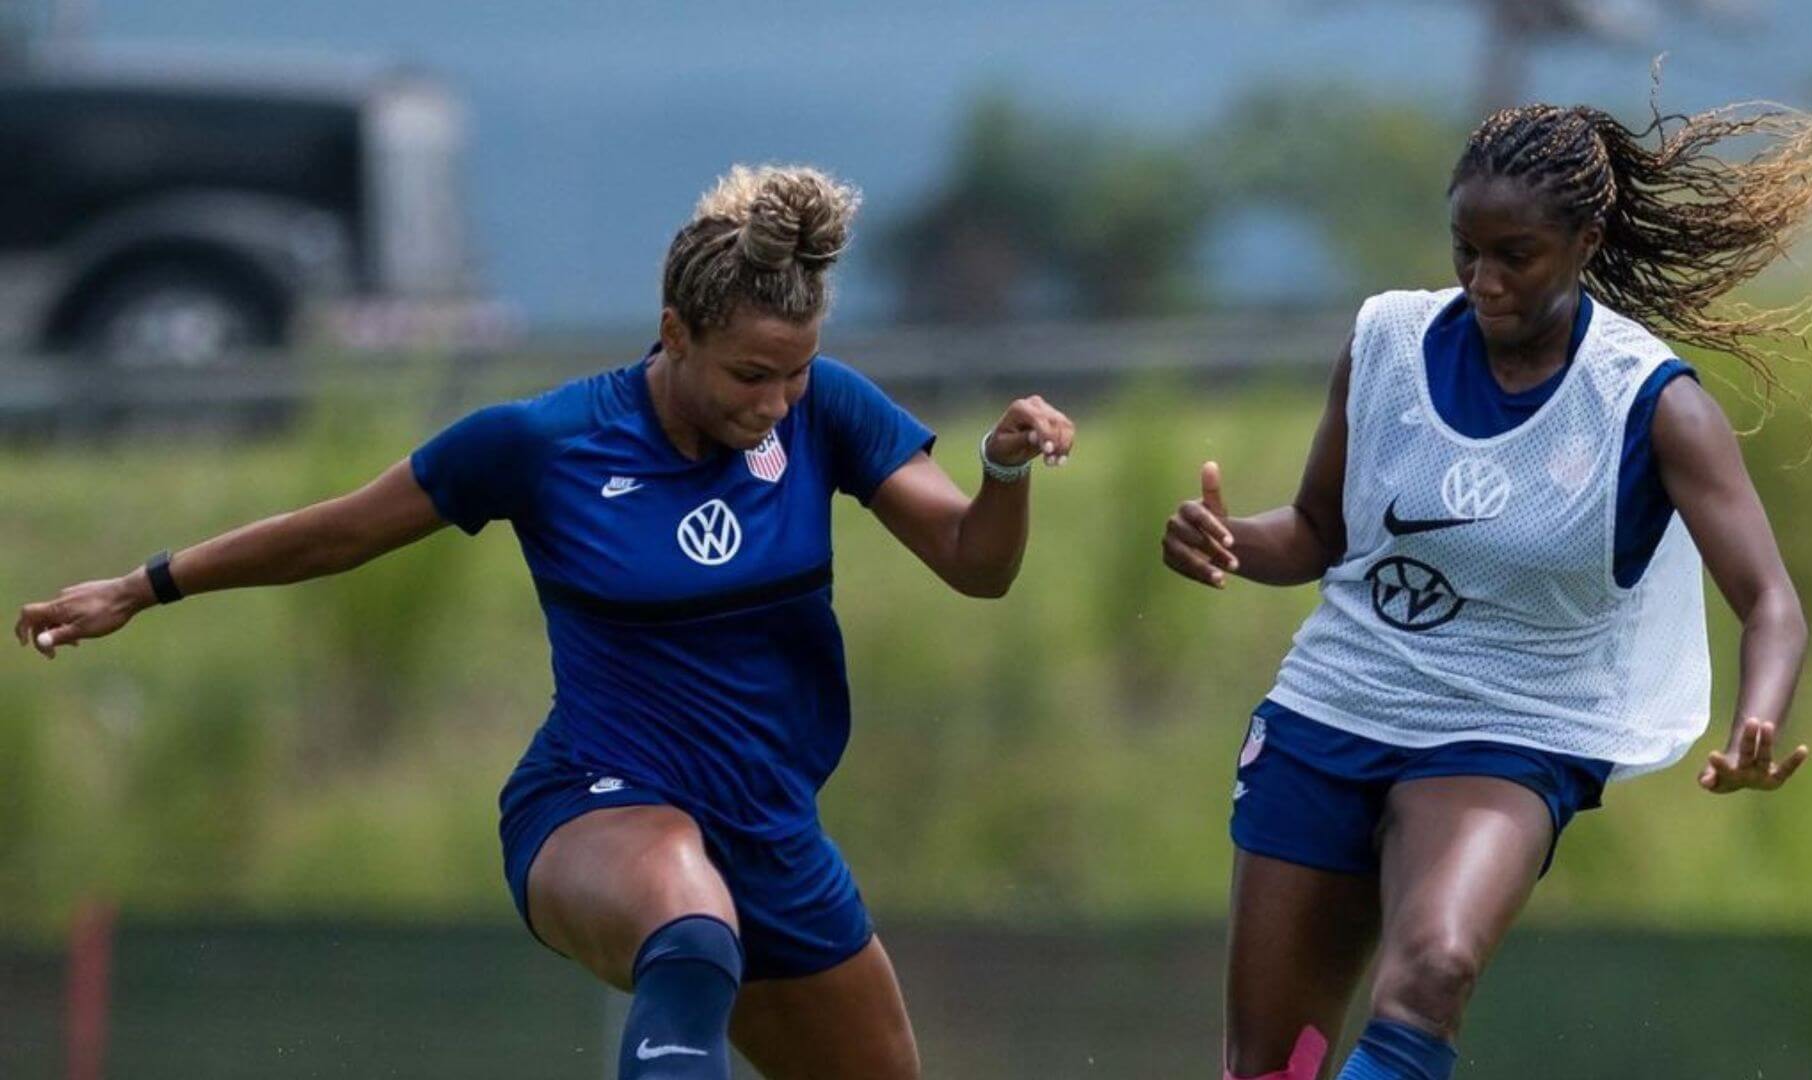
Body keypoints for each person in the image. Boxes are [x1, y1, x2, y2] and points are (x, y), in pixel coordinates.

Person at [16, 164, 1076, 1080]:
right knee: (689, 924)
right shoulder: (542, 442)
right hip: (597, 802)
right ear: (675, 333)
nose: (777, 401)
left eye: (795, 371)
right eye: (752, 374)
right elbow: (333, 533)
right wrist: (144, 585)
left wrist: (1002, 470)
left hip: (769, 822)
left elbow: (973, 565)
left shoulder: (827, 410)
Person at [1161, 102, 1812, 1080]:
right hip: (1333, 709)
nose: (1484, 281)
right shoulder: (1388, 343)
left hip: (1512, 731)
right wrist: (1229, 542)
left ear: (1587, 241)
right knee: (1272, 1065)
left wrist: (1758, 719)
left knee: (1435, 973)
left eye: (1515, 256)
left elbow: (1772, 602)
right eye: (1466, 250)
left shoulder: (1651, 404)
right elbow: (1318, 533)